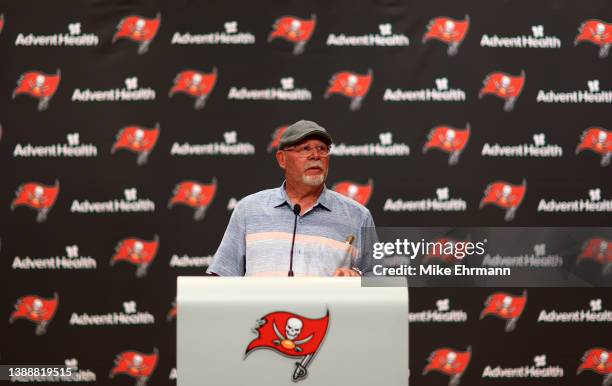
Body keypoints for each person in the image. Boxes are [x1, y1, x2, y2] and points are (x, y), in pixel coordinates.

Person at [207, 120, 376, 276]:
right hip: (264, 310)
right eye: (305, 149)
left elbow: (380, 285)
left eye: (322, 149)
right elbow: (223, 277)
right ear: (282, 159)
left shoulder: (358, 216)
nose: (315, 155)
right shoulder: (249, 210)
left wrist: (358, 278)